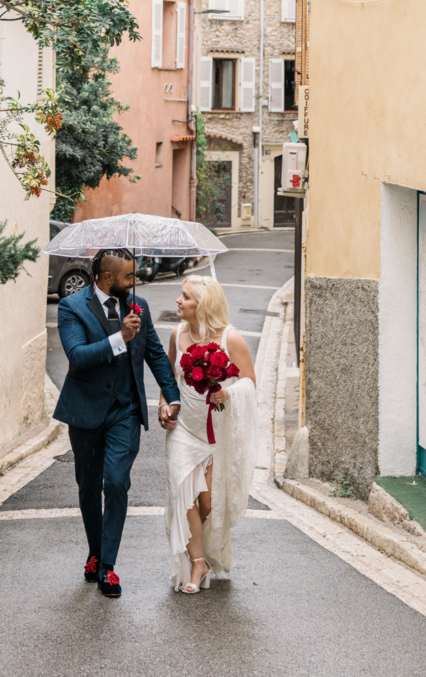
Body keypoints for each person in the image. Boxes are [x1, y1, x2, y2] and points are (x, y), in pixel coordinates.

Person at [54, 249, 181, 599]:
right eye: (128, 277)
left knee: (117, 481)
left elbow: (154, 352)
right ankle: (95, 552)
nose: (134, 282)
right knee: (89, 487)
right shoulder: (71, 307)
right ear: (107, 279)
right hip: (85, 413)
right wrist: (118, 339)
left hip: (125, 411)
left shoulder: (138, 306)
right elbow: (77, 357)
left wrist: (172, 397)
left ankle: (107, 566)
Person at [162, 275, 258, 593]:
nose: (178, 300)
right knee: (183, 493)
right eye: (181, 295)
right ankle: (197, 563)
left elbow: (249, 382)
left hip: (217, 434)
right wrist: (165, 404)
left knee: (208, 504)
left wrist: (227, 395)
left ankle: (204, 549)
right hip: (184, 431)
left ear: (202, 306)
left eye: (185, 297)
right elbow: (168, 378)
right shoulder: (177, 334)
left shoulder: (231, 339)